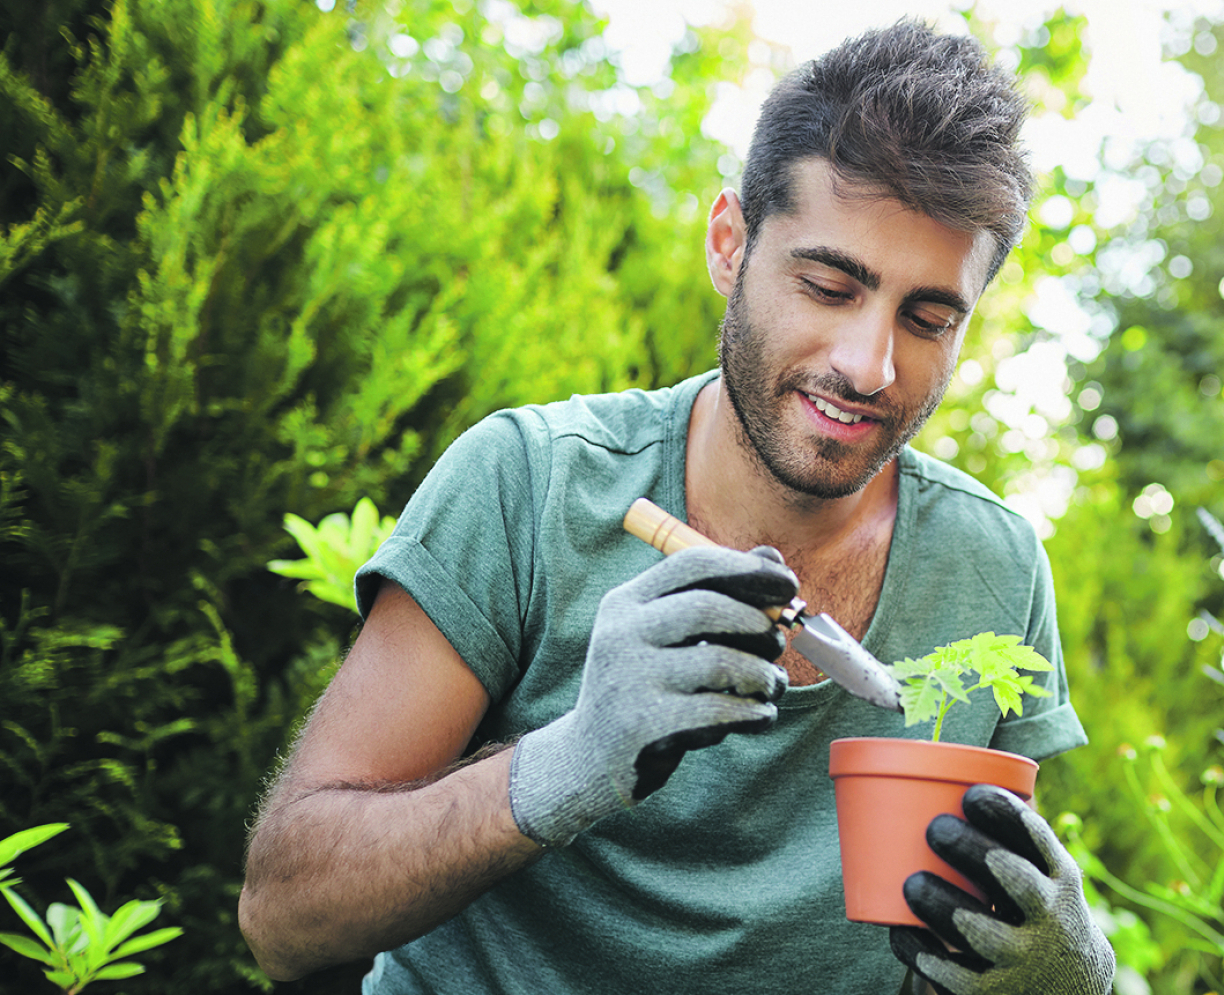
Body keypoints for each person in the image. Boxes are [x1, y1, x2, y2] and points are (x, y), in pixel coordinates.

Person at [237, 20, 1114, 995]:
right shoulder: (531, 485)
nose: (869, 364)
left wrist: (1067, 978)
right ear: (730, 243)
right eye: (829, 284)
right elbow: (284, 916)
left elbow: (955, 932)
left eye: (928, 317)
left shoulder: (992, 565)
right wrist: (571, 760)